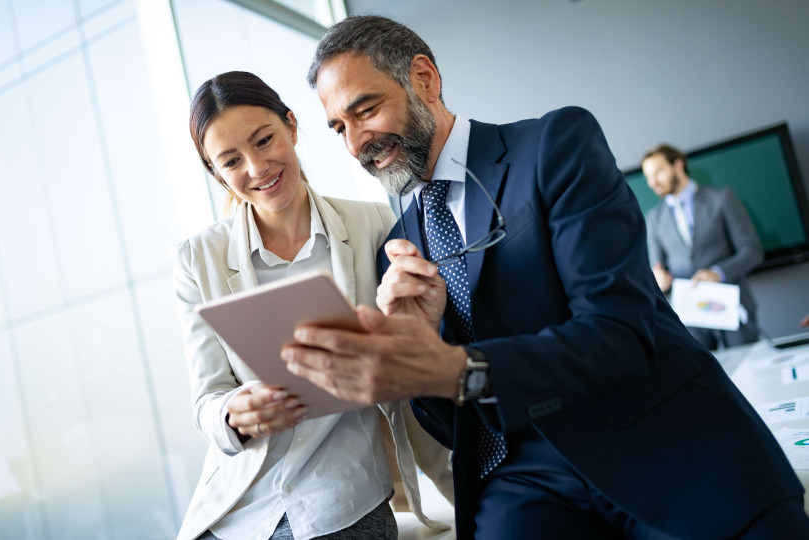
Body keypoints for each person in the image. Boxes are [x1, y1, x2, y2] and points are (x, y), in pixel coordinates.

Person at [278, 15, 809, 540]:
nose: (355, 143)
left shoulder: (554, 146)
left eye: (365, 110)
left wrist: (455, 367)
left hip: (665, 454)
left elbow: (621, 333)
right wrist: (416, 353)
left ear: (424, 79)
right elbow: (451, 426)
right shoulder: (398, 252)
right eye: (339, 128)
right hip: (523, 486)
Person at [170, 71, 452, 540]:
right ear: (215, 172)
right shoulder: (197, 260)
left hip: (341, 499)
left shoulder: (374, 225)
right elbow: (207, 399)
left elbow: (414, 350)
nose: (258, 168)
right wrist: (234, 414)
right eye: (232, 160)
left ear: (292, 126)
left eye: (264, 141)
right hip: (241, 509)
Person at [641, 144, 764, 350]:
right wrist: (658, 279)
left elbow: (752, 250)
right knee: (703, 379)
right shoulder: (653, 218)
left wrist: (719, 273)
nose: (653, 182)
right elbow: (657, 268)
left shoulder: (722, 198)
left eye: (659, 172)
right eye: (648, 177)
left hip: (733, 310)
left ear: (678, 165)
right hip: (691, 320)